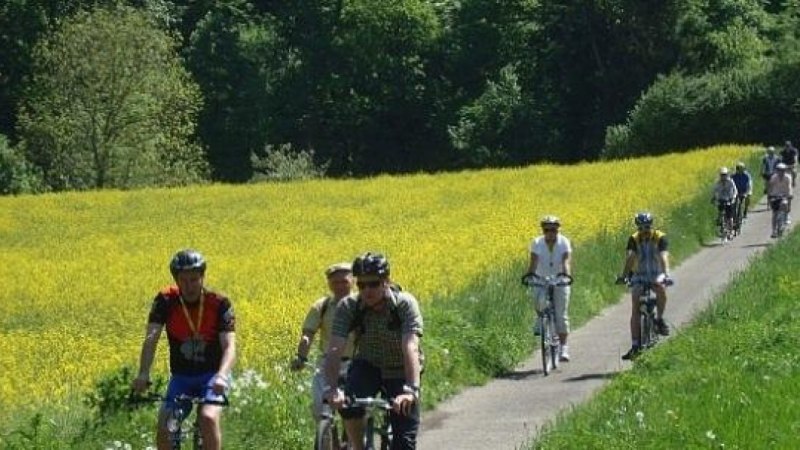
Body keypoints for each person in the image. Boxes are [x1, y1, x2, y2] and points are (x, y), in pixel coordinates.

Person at [131, 249, 236, 450]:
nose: (189, 286)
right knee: (165, 425)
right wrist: (143, 372)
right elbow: (151, 338)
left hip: (213, 377)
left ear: (203, 277)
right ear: (176, 280)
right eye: (184, 280)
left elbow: (229, 345)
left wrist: (223, 376)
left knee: (207, 418)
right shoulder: (165, 301)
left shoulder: (219, 303)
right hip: (181, 377)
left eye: (194, 280)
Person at [324, 252, 423, 450]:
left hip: (401, 369)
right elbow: (335, 348)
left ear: (386, 281)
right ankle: (359, 446)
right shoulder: (349, 306)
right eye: (361, 285)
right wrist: (333, 389)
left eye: (374, 284)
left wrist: (411, 391)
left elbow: (410, 346)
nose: (367, 290)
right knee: (349, 406)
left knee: (404, 443)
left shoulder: (404, 304)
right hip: (368, 364)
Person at [290, 262, 355, 431]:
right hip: (327, 363)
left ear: (353, 281)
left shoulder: (360, 304)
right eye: (335, 283)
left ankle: (350, 439)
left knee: (352, 409)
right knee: (321, 407)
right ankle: (327, 438)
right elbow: (308, 334)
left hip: (355, 363)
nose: (340, 286)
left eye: (344, 282)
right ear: (329, 284)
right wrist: (301, 357)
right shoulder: (322, 306)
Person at [617, 213, 672, 360]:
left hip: (656, 273)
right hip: (639, 274)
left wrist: (666, 274)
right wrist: (624, 276)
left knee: (661, 288)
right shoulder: (634, 239)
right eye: (641, 227)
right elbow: (630, 257)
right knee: (635, 304)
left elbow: (663, 256)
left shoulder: (659, 237)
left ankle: (660, 319)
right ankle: (635, 345)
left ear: (651, 226)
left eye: (647, 227)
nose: (644, 230)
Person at [522, 215, 573, 361]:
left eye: (553, 230)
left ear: (558, 230)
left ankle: (564, 348)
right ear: (543, 231)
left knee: (561, 315)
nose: (550, 233)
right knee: (538, 301)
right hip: (541, 278)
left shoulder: (564, 242)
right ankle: (540, 319)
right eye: (547, 230)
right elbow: (533, 261)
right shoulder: (537, 243)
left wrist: (566, 275)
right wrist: (529, 275)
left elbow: (566, 260)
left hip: (559, 279)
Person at [767, 162, 793, 237]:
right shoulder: (774, 177)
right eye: (779, 170)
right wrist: (769, 195)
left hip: (784, 195)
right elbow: (770, 186)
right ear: (777, 170)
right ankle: (774, 230)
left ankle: (786, 216)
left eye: (782, 170)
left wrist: (790, 195)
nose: (781, 172)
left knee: (784, 204)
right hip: (775, 196)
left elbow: (789, 187)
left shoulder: (788, 177)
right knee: (774, 214)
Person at [711, 167, 738, 235]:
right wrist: (713, 198)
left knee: (730, 217)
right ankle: (720, 225)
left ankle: (731, 229)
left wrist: (733, 197)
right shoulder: (718, 182)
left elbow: (735, 191)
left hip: (729, 199)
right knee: (720, 213)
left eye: (724, 174)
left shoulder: (730, 181)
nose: (723, 176)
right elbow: (715, 190)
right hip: (721, 199)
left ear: (727, 174)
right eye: (722, 175)